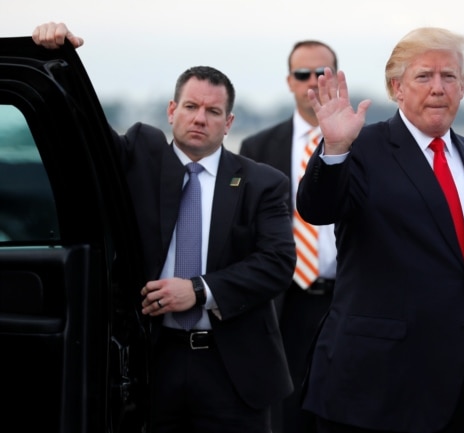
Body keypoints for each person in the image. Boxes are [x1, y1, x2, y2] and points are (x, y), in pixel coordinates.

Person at [32, 22, 295, 433]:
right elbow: (81, 133)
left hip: (234, 372)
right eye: (190, 106)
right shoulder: (139, 155)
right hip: (151, 363)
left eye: (213, 112)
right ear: (172, 111)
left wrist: (196, 290)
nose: (199, 119)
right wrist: (58, 55)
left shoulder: (262, 182)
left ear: (228, 123)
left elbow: (278, 263)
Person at [296, 27, 464, 433]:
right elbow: (317, 209)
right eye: (424, 76)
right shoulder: (362, 148)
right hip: (377, 387)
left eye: (449, 77)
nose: (438, 88)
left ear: (463, 88)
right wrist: (336, 149)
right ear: (396, 87)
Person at [239, 40, 338, 433]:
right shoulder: (258, 148)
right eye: (303, 74)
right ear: (289, 81)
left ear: (335, 78)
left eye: (321, 73)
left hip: (346, 298)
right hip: (282, 303)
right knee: (285, 416)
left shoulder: (366, 144)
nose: (312, 81)